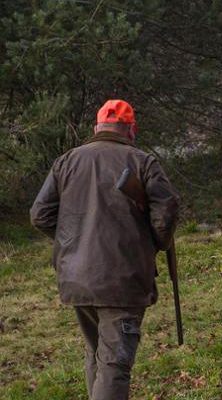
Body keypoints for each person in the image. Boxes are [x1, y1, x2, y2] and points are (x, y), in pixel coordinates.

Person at [30, 99, 180, 400]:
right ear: (132, 129)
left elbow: (40, 215)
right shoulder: (143, 161)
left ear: (97, 127)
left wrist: (73, 244)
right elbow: (166, 212)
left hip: (77, 279)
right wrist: (153, 244)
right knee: (114, 365)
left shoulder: (66, 161)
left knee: (98, 353)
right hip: (122, 280)